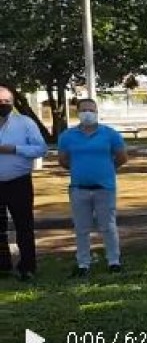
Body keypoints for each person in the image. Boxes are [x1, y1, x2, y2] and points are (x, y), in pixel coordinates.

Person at [58, 98, 128, 277]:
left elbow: (122, 157)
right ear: (78, 112)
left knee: (108, 226)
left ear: (96, 112)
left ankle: (114, 261)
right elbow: (64, 160)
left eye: (91, 110)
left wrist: (105, 169)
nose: (87, 113)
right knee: (81, 228)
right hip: (79, 188)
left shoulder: (110, 134)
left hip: (105, 188)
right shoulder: (67, 136)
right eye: (84, 110)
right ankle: (83, 263)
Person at [0, 84, 48, 281]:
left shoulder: (25, 123)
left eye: (6, 101)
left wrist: (15, 149)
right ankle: (2, 267)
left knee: (24, 226)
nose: (2, 104)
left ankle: (27, 266)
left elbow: (40, 148)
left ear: (12, 103)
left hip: (18, 181)